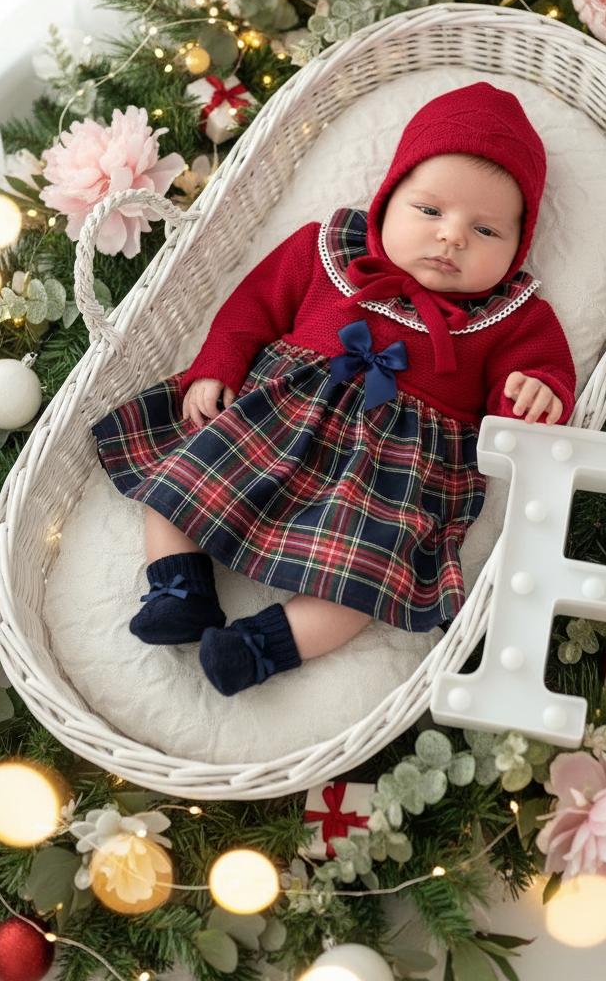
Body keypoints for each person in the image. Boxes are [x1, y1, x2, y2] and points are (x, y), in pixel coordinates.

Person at [93, 83, 576, 696]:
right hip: (276, 417)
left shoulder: (512, 316)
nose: (452, 236)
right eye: (430, 211)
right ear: (387, 199)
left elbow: (536, 385)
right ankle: (179, 587)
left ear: (518, 247)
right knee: (183, 473)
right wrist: (217, 366)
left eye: (485, 230)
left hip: (389, 474)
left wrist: (534, 394)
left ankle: (260, 646)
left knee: (369, 577)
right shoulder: (327, 253)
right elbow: (251, 311)